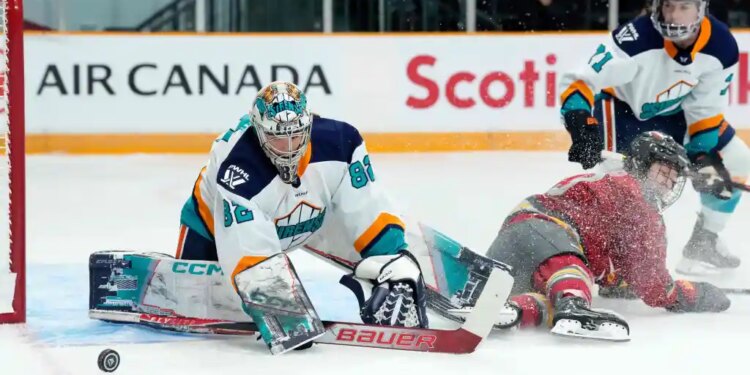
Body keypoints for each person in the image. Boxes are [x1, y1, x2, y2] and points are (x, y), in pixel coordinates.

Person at [175, 81, 428, 353]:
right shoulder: (239, 171)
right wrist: (281, 310)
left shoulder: (343, 143)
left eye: (295, 135)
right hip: (213, 228)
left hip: (306, 214)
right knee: (199, 298)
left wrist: (395, 257)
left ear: (308, 126)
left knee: (386, 252)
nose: (288, 148)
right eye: (276, 138)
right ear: (259, 133)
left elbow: (365, 205)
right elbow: (246, 249)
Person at [558, 0, 750, 276]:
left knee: (738, 159)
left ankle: (704, 242)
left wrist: (701, 154)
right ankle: (608, 262)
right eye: (668, 6)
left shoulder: (722, 46)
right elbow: (580, 80)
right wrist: (579, 125)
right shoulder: (636, 39)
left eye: (684, 7)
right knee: (619, 189)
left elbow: (705, 108)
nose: (673, 16)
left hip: (676, 113)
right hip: (622, 111)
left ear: (700, 9)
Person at [487, 132, 730, 341]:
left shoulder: (613, 183)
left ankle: (510, 310)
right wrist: (697, 295)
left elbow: (612, 253)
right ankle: (574, 306)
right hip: (546, 232)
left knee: (550, 303)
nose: (667, 184)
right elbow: (655, 286)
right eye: (662, 172)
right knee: (573, 287)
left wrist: (620, 284)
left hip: (521, 241)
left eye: (672, 179)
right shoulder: (637, 200)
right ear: (644, 166)